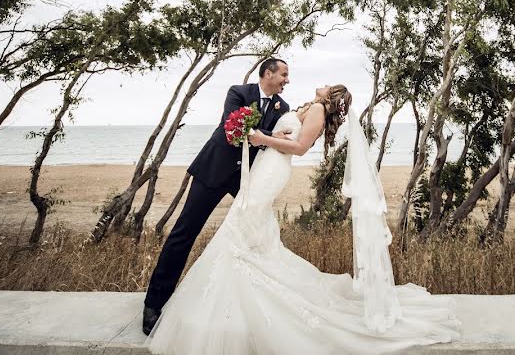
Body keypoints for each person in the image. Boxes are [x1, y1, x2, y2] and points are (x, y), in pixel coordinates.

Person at [145, 83, 461, 354]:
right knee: (247, 229)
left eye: (327, 85)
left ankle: (235, 297)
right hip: (266, 166)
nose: (319, 84)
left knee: (239, 227)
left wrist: (261, 138)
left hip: (273, 168)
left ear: (331, 96)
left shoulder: (318, 111)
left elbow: (298, 147)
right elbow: (286, 136)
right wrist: (265, 136)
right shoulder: (310, 107)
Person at [142, 57, 291, 335]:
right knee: (184, 233)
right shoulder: (238, 92)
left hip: (246, 180)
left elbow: (277, 142)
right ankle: (153, 304)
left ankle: (259, 306)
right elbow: (232, 129)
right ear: (268, 73)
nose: (287, 80)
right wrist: (271, 132)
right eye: (283, 74)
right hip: (213, 171)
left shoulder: (284, 107)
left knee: (260, 233)